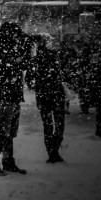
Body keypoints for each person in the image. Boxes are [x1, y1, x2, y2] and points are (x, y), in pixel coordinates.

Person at [0, 21, 31, 175]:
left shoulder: (12, 49)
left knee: (9, 130)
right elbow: (8, 69)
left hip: (13, 95)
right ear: (9, 33)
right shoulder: (1, 50)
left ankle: (8, 161)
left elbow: (23, 65)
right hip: (6, 95)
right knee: (3, 129)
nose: (18, 37)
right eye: (16, 33)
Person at [26, 33, 67, 163]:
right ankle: (54, 149)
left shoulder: (35, 61)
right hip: (56, 95)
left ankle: (51, 152)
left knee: (47, 125)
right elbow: (62, 74)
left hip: (43, 95)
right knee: (59, 124)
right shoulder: (54, 57)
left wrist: (36, 86)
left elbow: (28, 79)